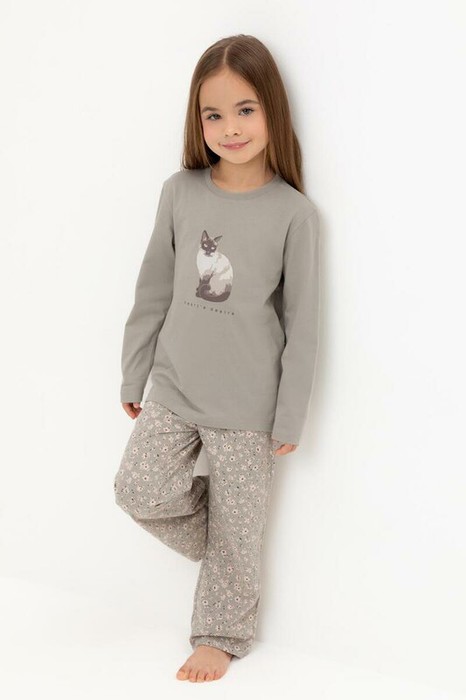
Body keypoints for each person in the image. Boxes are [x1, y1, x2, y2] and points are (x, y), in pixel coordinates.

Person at [113, 33, 321, 683]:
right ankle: (230, 548)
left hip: (248, 405)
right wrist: (134, 369)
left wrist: (289, 414)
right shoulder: (180, 192)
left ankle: (220, 634)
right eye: (214, 114)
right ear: (197, 121)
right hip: (175, 385)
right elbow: (152, 287)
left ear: (272, 111)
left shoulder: (293, 214)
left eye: (245, 110)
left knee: (241, 530)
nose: (230, 128)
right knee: (138, 489)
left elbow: (303, 323)